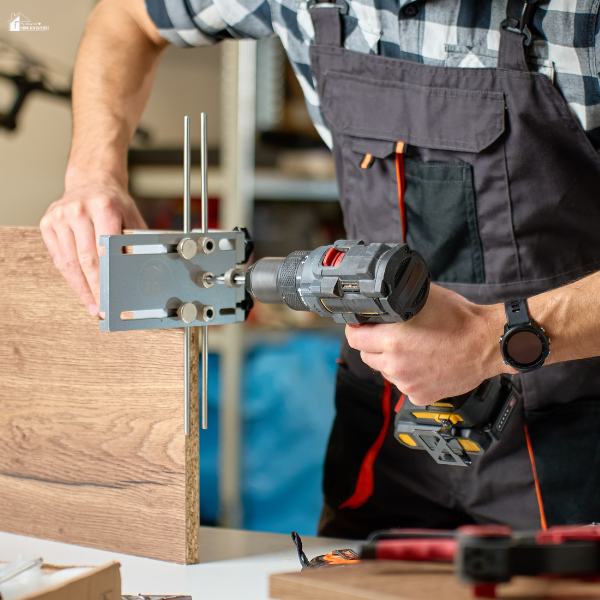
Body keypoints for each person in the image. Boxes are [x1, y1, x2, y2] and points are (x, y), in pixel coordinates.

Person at [41, 0, 600, 539]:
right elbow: (124, 16)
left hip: (576, 430)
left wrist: (492, 340)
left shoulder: (579, 15)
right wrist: (94, 172)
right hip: (384, 430)